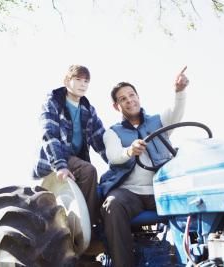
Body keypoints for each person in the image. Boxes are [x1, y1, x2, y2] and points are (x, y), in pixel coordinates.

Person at [99, 67, 189, 267]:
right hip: (131, 194)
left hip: (162, 190)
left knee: (193, 198)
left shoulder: (158, 121)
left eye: (132, 95)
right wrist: (129, 151)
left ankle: (191, 258)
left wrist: (179, 91)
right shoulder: (112, 133)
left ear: (138, 97)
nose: (129, 100)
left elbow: (176, 112)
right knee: (113, 204)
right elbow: (114, 157)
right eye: (123, 98)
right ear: (116, 106)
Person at [33, 64, 107, 228]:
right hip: (56, 159)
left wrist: (120, 161)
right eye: (78, 79)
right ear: (67, 80)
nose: (83, 84)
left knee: (103, 181)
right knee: (89, 170)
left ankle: (98, 223)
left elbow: (101, 141)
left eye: (86, 81)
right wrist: (60, 165)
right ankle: (87, 227)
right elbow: (49, 134)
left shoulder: (88, 109)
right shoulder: (52, 102)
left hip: (76, 161)